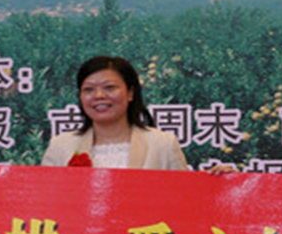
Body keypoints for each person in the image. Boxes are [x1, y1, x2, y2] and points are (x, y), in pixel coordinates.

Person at [42, 56, 189, 170]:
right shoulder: (61, 146)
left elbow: (184, 195)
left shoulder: (163, 144)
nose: (99, 95)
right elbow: (46, 197)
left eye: (109, 87)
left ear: (130, 93)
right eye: (89, 89)